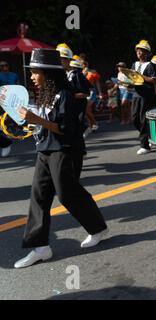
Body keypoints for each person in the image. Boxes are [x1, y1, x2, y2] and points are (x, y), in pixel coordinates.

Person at [14, 49, 108, 269]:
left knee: (67, 193)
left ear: (48, 73)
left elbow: (66, 129)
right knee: (38, 196)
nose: (33, 76)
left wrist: (37, 119)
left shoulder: (64, 94)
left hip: (66, 149)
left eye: (36, 72)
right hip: (45, 149)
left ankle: (98, 229)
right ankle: (40, 248)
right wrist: (33, 122)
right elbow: (46, 122)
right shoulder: (45, 93)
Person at [56, 44, 90, 156]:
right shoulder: (61, 74)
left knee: (76, 128)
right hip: (67, 106)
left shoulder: (76, 75)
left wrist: (69, 96)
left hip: (77, 106)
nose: (59, 61)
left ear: (68, 60)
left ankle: (79, 151)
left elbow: (85, 93)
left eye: (62, 59)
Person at [131, 40, 156, 155]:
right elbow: (132, 78)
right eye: (138, 50)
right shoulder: (134, 64)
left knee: (143, 119)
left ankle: (145, 145)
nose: (139, 53)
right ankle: (148, 136)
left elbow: (154, 80)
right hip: (136, 94)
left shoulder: (150, 65)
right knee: (134, 118)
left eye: (142, 51)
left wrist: (140, 76)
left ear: (147, 53)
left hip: (146, 95)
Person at [81, 58, 102, 135]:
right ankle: (91, 126)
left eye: (85, 63)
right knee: (87, 110)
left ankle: (95, 123)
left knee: (86, 109)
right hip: (83, 92)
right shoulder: (79, 72)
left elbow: (97, 83)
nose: (84, 65)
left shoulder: (93, 72)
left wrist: (100, 93)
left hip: (91, 91)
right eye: (82, 63)